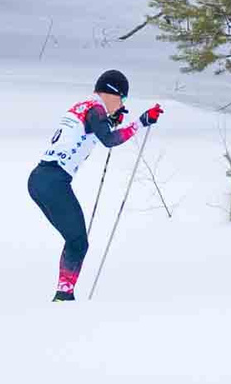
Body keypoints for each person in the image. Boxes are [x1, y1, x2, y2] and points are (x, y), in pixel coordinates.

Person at [28, 68, 163, 301]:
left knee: (75, 240)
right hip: (54, 181)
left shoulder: (85, 106)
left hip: (40, 179)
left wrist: (109, 121)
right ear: (112, 93)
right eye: (123, 99)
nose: (122, 105)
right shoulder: (96, 108)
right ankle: (63, 295)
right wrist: (141, 122)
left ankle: (64, 293)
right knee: (78, 241)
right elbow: (109, 140)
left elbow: (92, 130)